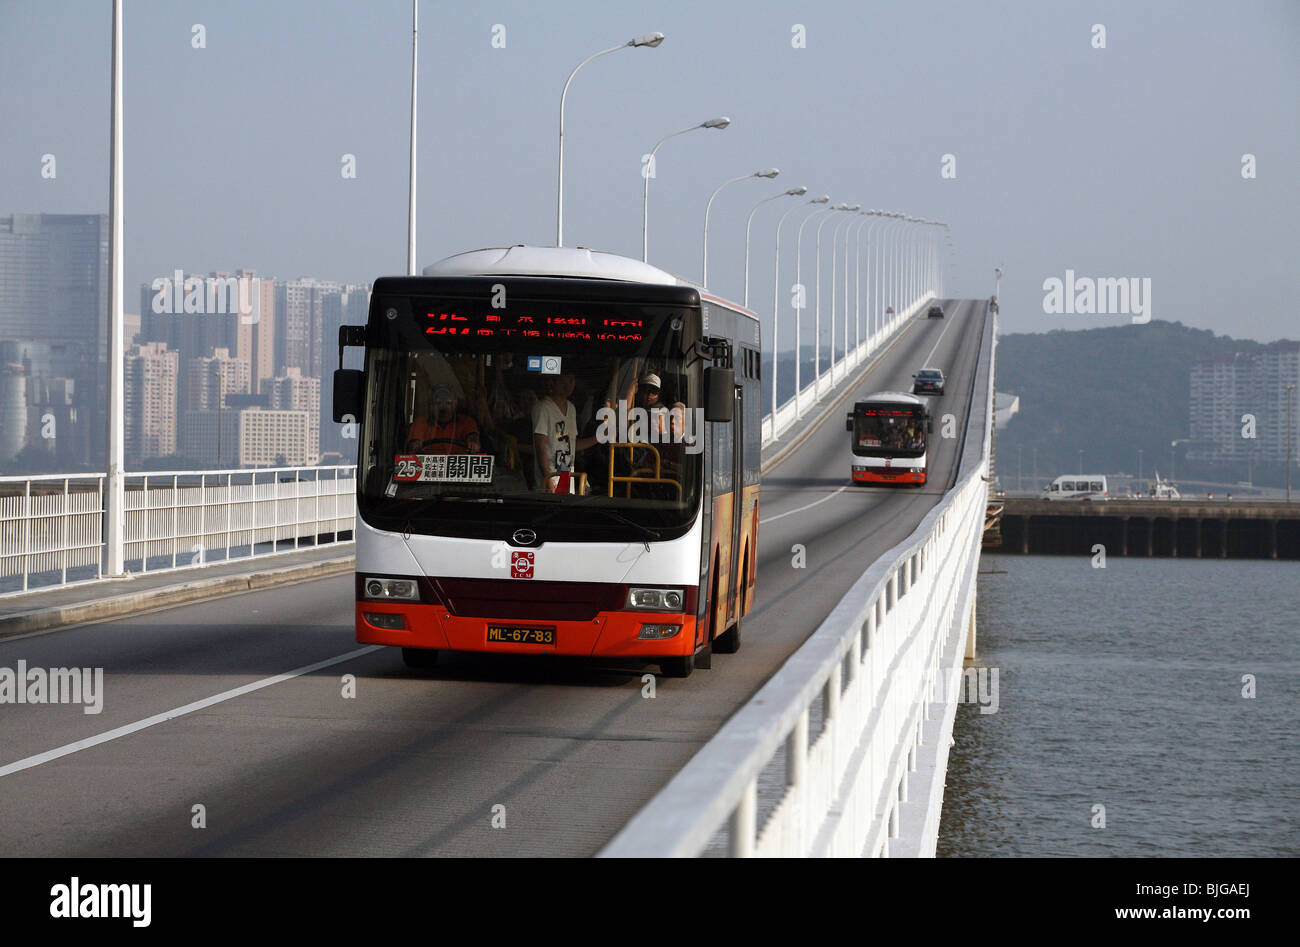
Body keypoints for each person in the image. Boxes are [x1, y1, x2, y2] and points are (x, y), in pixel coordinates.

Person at [533, 372, 596, 490]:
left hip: (566, 472)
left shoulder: (571, 408)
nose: (569, 385)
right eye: (564, 381)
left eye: (572, 380)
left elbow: (572, 445)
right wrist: (549, 481)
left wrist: (599, 437)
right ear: (553, 382)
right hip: (551, 475)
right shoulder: (542, 408)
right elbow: (540, 447)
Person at [406, 384, 480, 454]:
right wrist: (415, 445)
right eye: (438, 402)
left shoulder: (466, 422)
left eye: (448, 402)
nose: (443, 406)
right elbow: (413, 445)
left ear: (455, 404)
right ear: (431, 405)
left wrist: (472, 442)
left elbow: (473, 439)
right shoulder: (420, 423)